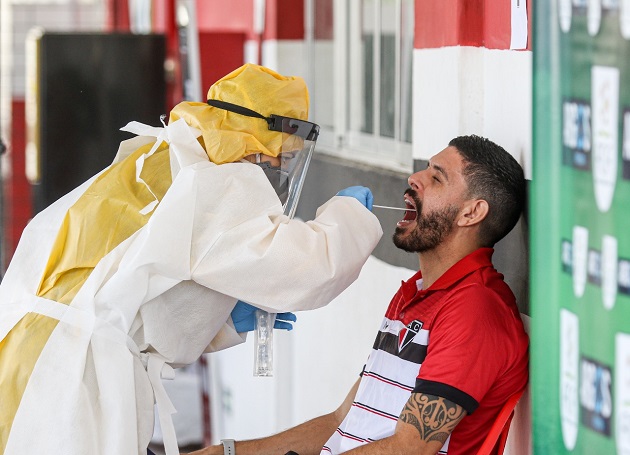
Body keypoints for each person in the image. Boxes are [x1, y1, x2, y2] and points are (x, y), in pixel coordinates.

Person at [0, 64, 382, 455]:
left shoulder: (151, 162)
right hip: (73, 385)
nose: (277, 170)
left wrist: (212, 322)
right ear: (256, 144)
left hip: (22, 358)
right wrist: (348, 215)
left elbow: (122, 292)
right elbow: (310, 269)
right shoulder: (213, 181)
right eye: (280, 157)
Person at [191, 135, 529, 455]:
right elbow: (341, 421)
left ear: (472, 212)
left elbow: (411, 447)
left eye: (436, 179)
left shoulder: (474, 308)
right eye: (424, 168)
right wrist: (226, 451)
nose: (414, 178)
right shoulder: (415, 295)